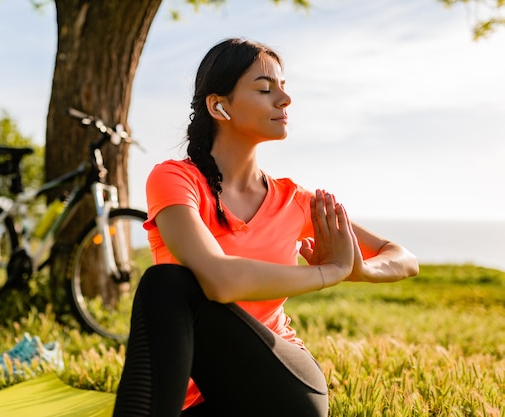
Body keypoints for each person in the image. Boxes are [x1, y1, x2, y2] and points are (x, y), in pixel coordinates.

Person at [112, 38, 419, 417]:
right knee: (169, 284)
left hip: (279, 387)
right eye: (264, 88)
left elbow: (404, 258)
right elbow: (220, 280)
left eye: (284, 87)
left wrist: (358, 268)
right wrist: (329, 272)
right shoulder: (175, 180)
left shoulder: (296, 200)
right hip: (201, 399)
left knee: (165, 284)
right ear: (218, 106)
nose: (284, 100)